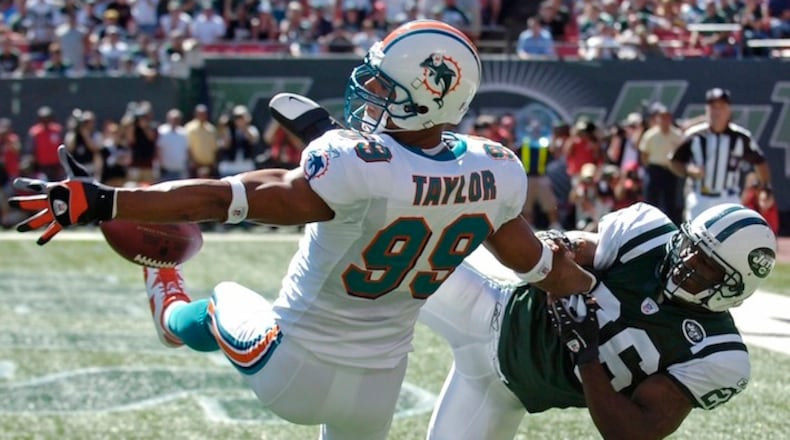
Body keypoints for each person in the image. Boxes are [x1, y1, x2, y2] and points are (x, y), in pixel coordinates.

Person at [9, 20, 595, 440]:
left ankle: (169, 316)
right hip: (378, 390)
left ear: (425, 98)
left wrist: (108, 201)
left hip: (289, 365)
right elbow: (535, 266)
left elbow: (228, 196)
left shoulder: (348, 163)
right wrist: (587, 285)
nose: (368, 95)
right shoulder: (494, 169)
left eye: (385, 90)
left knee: (222, 304)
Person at [419, 202, 777, 440]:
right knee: (388, 269)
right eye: (691, 248)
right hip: (488, 307)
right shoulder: (648, 234)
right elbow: (558, 252)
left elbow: (633, 433)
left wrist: (587, 356)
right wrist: (563, 255)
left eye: (706, 266)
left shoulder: (716, 354)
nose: (687, 265)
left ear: (734, 287)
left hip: (505, 392)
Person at [669, 88, 772, 220]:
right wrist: (689, 170)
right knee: (694, 238)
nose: (717, 112)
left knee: (732, 239)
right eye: (713, 107)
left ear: (729, 110)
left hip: (728, 198)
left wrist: (766, 187)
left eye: (721, 107)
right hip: (699, 197)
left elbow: (760, 161)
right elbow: (674, 161)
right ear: (707, 109)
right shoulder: (694, 135)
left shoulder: (741, 137)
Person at [639, 102, 683, 224]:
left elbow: (681, 155)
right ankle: (648, 225)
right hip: (655, 170)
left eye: (667, 117)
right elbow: (644, 154)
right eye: (662, 117)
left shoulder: (677, 135)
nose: (664, 120)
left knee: (671, 202)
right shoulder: (650, 135)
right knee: (651, 201)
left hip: (670, 171)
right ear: (658, 119)